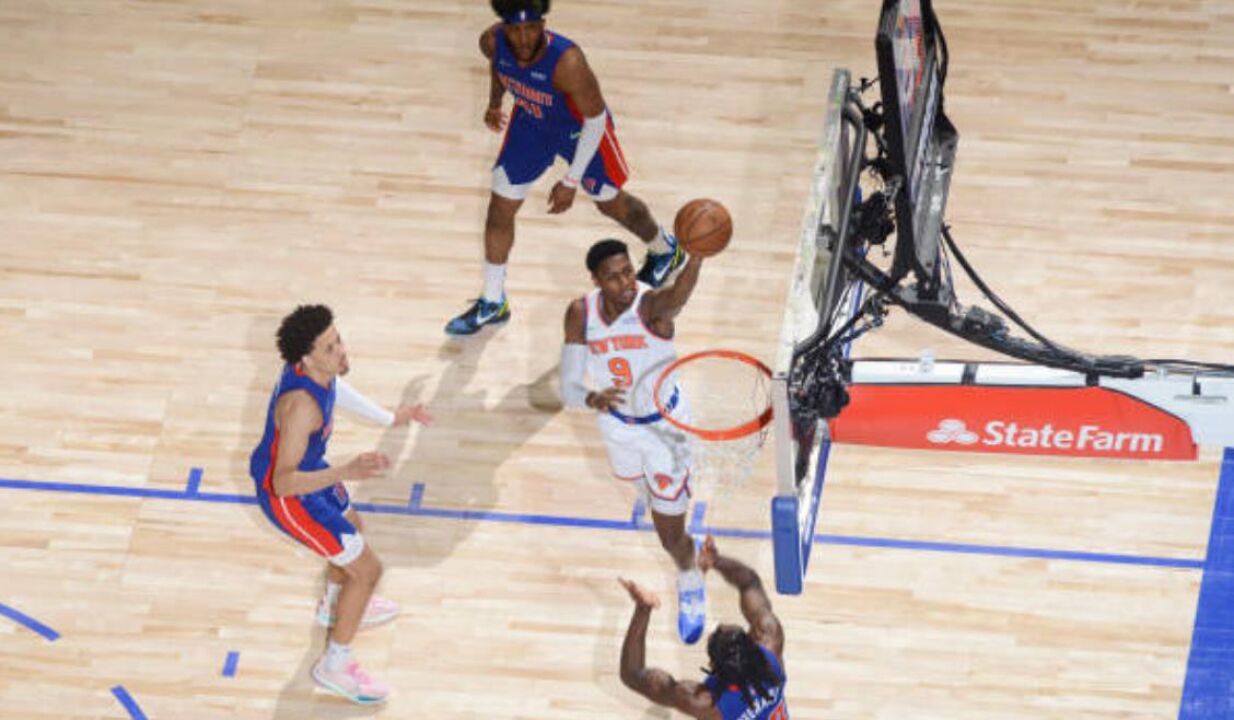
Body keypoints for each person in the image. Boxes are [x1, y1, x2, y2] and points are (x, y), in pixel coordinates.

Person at [445, 0, 685, 336]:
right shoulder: (492, 42)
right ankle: (493, 301)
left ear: (543, 25)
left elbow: (595, 120)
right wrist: (495, 102)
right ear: (504, 29)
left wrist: (571, 181)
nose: (524, 38)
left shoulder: (567, 62)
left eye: (532, 28)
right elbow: (500, 68)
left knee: (609, 202)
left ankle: (665, 250)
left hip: (580, 129)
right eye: (516, 30)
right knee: (499, 208)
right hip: (532, 122)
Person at [249, 304, 432, 705]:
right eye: (330, 348)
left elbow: (336, 390)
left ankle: (334, 606)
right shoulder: (301, 408)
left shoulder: (315, 372)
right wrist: (347, 470)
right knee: (368, 570)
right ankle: (334, 665)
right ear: (306, 358)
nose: (342, 351)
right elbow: (283, 483)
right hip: (289, 497)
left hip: (309, 471)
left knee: (354, 527)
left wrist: (390, 418)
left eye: (339, 340)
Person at [559, 238, 706, 643]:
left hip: (665, 431)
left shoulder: (650, 306)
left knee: (669, 534)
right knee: (647, 496)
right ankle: (669, 501)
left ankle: (690, 580)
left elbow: (677, 297)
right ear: (595, 280)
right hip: (618, 427)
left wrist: (696, 258)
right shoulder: (580, 312)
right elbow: (568, 389)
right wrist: (590, 397)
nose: (625, 283)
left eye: (628, 271)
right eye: (613, 277)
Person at [619, 536, 789, 719]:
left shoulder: (704, 703)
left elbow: (632, 674)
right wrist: (716, 561)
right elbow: (750, 582)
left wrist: (643, 609)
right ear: (752, 645)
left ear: (713, 665)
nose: (719, 624)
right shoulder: (771, 643)